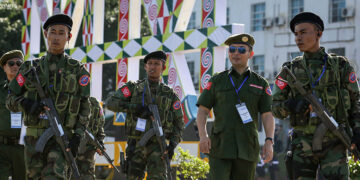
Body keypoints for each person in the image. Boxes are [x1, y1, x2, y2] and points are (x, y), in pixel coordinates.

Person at [272, 12, 360, 179]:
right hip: (302, 145)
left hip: (336, 142)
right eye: (296, 34)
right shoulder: (290, 70)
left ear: (318, 33)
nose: (298, 38)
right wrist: (292, 105)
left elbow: (356, 102)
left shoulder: (340, 66)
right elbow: (275, 107)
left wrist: (357, 132)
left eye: (303, 32)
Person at [6, 14, 91, 179]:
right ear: (46, 34)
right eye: (53, 32)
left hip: (62, 139)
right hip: (33, 141)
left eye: (61, 32)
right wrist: (25, 103)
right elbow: (10, 100)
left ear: (69, 37)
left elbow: (85, 106)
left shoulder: (77, 70)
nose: (56, 37)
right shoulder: (29, 68)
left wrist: (79, 135)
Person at [196, 33, 275, 180]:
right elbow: (202, 110)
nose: (236, 53)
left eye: (241, 50)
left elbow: (267, 114)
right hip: (220, 147)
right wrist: (203, 136)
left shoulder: (260, 83)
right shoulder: (217, 80)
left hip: (247, 147)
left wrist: (269, 141)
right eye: (232, 49)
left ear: (250, 54)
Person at [105, 50, 184, 180]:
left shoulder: (170, 95)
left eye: (156, 64)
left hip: (158, 146)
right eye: (150, 63)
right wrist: (135, 108)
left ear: (163, 68)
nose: (153, 67)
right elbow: (110, 103)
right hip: (136, 144)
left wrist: (172, 145)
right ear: (145, 67)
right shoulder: (133, 88)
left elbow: (179, 122)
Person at [0, 50, 26, 180]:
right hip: (2, 147)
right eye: (11, 63)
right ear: (4, 67)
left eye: (19, 63)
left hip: (23, 148)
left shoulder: (31, 91)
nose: (15, 66)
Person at [74, 97, 105, 180]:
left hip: (88, 153)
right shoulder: (74, 100)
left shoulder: (96, 104)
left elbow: (100, 126)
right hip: (72, 148)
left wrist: (100, 142)